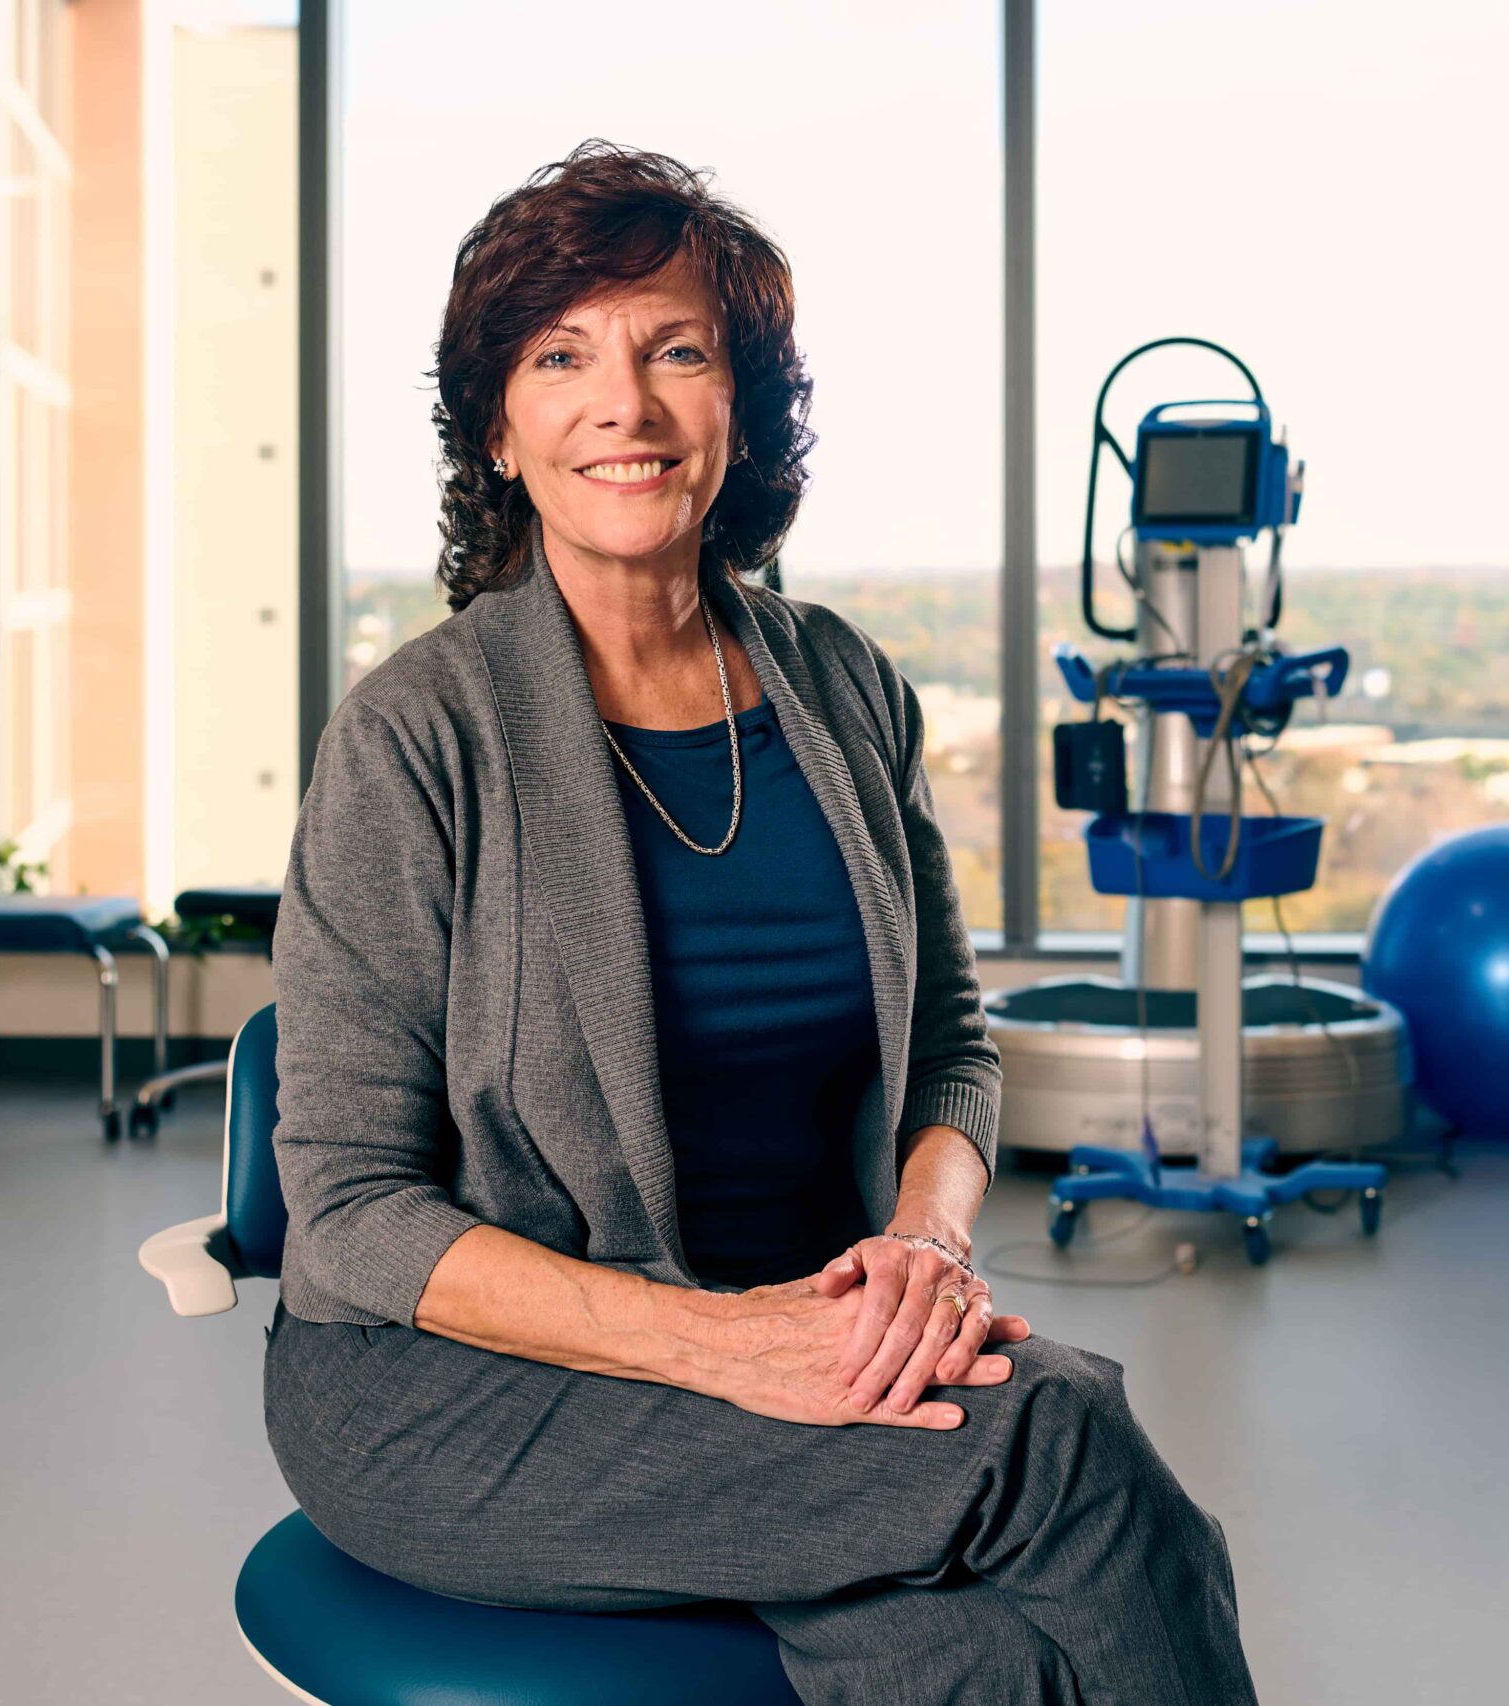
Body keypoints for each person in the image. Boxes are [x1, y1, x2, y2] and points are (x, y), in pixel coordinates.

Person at [263, 139, 1257, 1706]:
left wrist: (923, 1243)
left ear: (746, 408)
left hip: (808, 1326)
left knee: (985, 1655)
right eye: (561, 357)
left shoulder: (845, 686)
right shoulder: (414, 737)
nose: (626, 404)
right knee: (1051, 1433)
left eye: (677, 351)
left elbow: (952, 1049)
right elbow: (349, 1209)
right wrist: (727, 1349)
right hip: (449, 1389)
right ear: (499, 430)